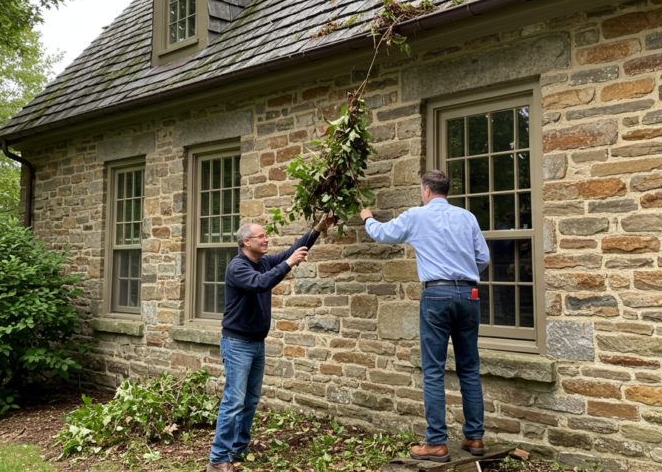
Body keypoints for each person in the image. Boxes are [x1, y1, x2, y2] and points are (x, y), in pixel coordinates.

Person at [360, 170, 489, 463]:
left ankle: (436, 444)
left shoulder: (417, 216)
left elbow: (382, 234)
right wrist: (463, 277)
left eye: (421, 190)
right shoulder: (467, 217)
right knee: (469, 367)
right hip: (469, 296)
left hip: (437, 296)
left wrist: (367, 216)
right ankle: (475, 436)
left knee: (433, 370)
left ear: (427, 190)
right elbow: (483, 259)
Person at [207, 215, 334, 472]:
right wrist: (288, 264)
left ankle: (237, 448)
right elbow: (261, 283)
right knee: (233, 401)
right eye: (261, 236)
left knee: (250, 400)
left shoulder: (261, 262)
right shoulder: (239, 267)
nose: (267, 240)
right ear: (246, 241)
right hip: (237, 344)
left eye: (266, 236)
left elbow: (292, 251)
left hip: (256, 343)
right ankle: (218, 459)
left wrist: (316, 230)